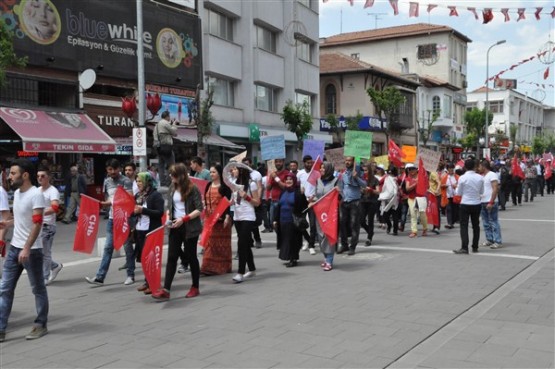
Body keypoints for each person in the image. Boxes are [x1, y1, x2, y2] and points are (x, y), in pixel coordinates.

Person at [0, 159, 48, 342]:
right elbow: (23, 219)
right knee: (5, 288)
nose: (9, 177)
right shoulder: (18, 193)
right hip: (14, 248)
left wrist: (27, 248)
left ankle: (40, 324)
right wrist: (8, 223)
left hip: (32, 251)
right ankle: (1, 328)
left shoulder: (36, 195)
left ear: (25, 175)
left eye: (13, 173)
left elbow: (37, 223)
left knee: (37, 289)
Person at [152, 163, 203, 301]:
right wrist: (169, 218)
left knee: (191, 256)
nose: (170, 176)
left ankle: (195, 287)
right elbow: (170, 206)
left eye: (173, 174)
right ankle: (166, 290)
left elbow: (199, 209)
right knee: (172, 257)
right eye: (170, 174)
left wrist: (184, 218)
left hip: (190, 227)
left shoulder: (193, 188)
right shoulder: (171, 188)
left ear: (181, 175)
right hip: (175, 226)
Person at [85, 159, 133, 286]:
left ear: (119, 169)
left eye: (114, 169)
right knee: (108, 247)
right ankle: (100, 277)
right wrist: (104, 205)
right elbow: (107, 196)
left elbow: (128, 200)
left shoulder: (125, 181)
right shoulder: (106, 181)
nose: (112, 172)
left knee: (127, 247)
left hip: (124, 218)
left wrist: (110, 203)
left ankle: (130, 275)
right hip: (112, 218)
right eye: (109, 170)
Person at [133, 172, 164, 295]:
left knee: (150, 258)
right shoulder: (138, 196)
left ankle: (154, 283)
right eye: (137, 181)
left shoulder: (155, 195)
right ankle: (147, 281)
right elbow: (134, 211)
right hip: (140, 229)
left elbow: (159, 213)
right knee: (144, 258)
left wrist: (143, 210)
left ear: (147, 182)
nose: (138, 183)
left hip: (151, 231)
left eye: (140, 181)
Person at [200, 164, 233, 276]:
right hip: (210, 220)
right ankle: (207, 267)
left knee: (222, 245)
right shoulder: (208, 185)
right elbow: (205, 199)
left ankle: (223, 267)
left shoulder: (225, 187)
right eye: (210, 172)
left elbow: (228, 204)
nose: (211, 174)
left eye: (213, 172)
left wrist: (227, 217)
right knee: (209, 244)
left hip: (221, 220)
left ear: (219, 173)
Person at [230, 164, 260, 283]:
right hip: (237, 217)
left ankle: (240, 272)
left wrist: (246, 197)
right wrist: (230, 202)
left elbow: (257, 202)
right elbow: (234, 200)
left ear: (241, 171)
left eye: (235, 169)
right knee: (246, 243)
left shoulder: (251, 184)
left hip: (248, 216)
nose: (233, 171)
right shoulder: (233, 184)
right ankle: (252, 269)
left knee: (241, 243)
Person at [274, 173, 308, 267]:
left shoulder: (298, 192)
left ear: (294, 181)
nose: (288, 181)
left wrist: (303, 194)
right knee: (285, 240)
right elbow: (279, 206)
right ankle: (289, 257)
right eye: (286, 179)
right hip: (282, 220)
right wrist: (275, 220)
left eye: (290, 179)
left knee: (293, 240)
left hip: (293, 220)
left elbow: (304, 205)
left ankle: (293, 259)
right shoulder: (283, 192)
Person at [37, 166, 62, 285]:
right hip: (37, 225)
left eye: (43, 176)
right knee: (38, 252)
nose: (40, 178)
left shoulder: (53, 191)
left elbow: (55, 207)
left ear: (49, 177)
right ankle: (55, 266)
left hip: (48, 225)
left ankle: (44, 277)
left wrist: (40, 213)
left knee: (45, 253)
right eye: (38, 176)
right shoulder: (37, 190)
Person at [311, 162, 339, 270]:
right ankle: (325, 257)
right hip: (320, 212)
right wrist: (312, 200)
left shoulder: (336, 181)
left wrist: (339, 191)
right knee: (321, 235)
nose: (321, 170)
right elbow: (316, 195)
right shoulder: (318, 181)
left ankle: (329, 260)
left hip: (331, 212)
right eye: (321, 168)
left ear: (329, 169)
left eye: (324, 168)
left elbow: (342, 195)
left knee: (329, 235)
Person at [453, 158, 484, 254]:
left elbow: (459, 192)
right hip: (476, 203)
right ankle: (475, 246)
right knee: (476, 225)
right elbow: (482, 192)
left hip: (465, 203)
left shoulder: (462, 178)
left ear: (465, 167)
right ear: (475, 166)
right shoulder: (480, 177)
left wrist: (456, 188)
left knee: (464, 226)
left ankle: (464, 247)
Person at [337, 156, 366, 255]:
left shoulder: (359, 172)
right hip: (344, 202)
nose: (347, 162)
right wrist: (340, 191)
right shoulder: (342, 174)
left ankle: (352, 247)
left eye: (349, 160)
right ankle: (344, 245)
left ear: (353, 162)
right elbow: (340, 186)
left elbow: (364, 185)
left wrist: (356, 178)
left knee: (354, 224)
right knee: (342, 223)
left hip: (355, 202)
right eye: (346, 160)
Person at [479, 160, 503, 249]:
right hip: (483, 201)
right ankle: (489, 239)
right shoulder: (482, 176)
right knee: (485, 222)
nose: (478, 168)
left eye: (480, 166)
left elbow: (495, 189)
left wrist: (491, 202)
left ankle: (498, 241)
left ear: (484, 167)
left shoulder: (492, 175)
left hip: (491, 202)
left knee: (494, 221)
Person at [297, 155, 317, 255]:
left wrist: (314, 196)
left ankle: (311, 245)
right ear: (304, 163)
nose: (310, 164)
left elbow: (319, 187)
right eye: (308, 163)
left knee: (312, 225)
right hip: (302, 202)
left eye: (311, 162)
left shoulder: (316, 174)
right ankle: (307, 240)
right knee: (301, 223)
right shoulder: (299, 174)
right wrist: (299, 191)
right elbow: (296, 186)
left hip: (313, 201)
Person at [242, 157, 263, 249]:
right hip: (244, 202)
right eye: (244, 164)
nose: (245, 165)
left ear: (250, 164)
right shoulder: (241, 173)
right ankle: (249, 240)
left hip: (253, 200)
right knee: (245, 222)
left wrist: (257, 198)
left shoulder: (256, 174)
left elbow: (259, 187)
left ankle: (257, 239)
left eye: (247, 163)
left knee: (253, 223)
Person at [153, 111, 177, 187]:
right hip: (166, 147)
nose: (169, 118)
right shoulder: (165, 123)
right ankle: (169, 183)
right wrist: (174, 124)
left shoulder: (156, 125)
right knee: (171, 165)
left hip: (159, 148)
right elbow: (174, 131)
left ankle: (162, 182)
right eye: (169, 116)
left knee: (161, 166)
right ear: (167, 116)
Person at [360, 162, 379, 246]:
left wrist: (371, 190)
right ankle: (370, 232)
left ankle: (369, 238)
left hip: (372, 202)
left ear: (370, 170)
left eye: (366, 170)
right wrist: (362, 190)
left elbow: (378, 192)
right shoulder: (361, 179)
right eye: (363, 170)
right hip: (363, 201)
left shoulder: (375, 179)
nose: (364, 172)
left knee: (370, 220)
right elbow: (359, 189)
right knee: (361, 220)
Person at [378, 166, 399, 236]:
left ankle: (395, 230)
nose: (390, 174)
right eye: (389, 172)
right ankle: (389, 226)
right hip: (387, 200)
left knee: (395, 218)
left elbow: (402, 187)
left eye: (391, 172)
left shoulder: (398, 179)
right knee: (385, 216)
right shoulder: (386, 178)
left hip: (395, 201)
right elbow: (380, 183)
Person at [442, 163, 459, 229]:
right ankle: (449, 223)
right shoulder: (444, 177)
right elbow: (441, 185)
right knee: (449, 209)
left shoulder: (457, 177)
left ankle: (452, 221)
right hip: (447, 196)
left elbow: (460, 185)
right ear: (448, 169)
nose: (451, 169)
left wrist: (456, 186)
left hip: (455, 196)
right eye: (450, 168)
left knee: (455, 210)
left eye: (452, 168)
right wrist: (443, 186)